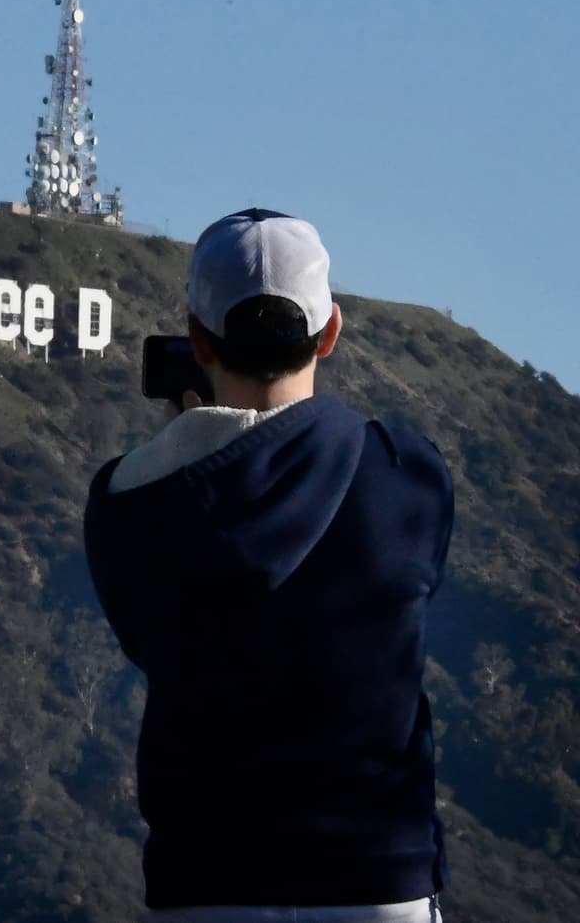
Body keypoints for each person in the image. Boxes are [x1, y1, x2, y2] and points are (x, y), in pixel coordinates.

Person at [84, 209, 452, 922]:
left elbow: (143, 636)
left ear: (197, 339)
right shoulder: (407, 472)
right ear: (330, 331)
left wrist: (189, 445)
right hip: (376, 883)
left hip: (207, 886)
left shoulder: (127, 505)